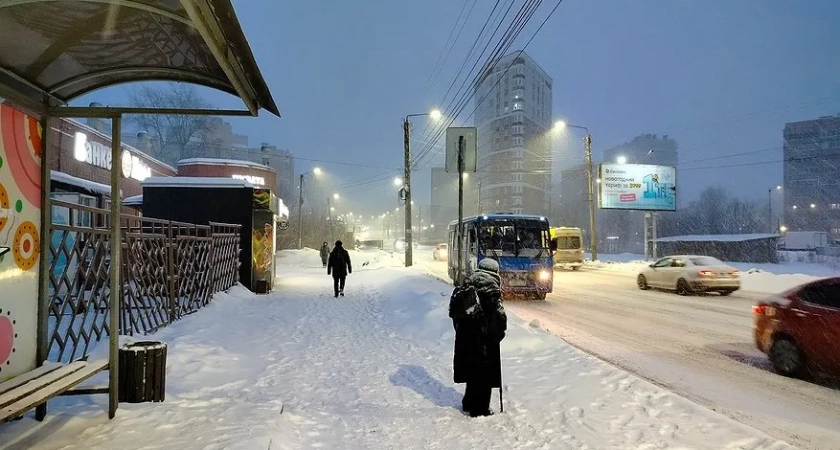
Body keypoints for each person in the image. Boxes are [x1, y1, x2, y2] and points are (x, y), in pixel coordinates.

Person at [449, 258, 507, 417]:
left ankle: (468, 403)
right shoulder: (492, 289)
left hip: (465, 338)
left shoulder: (466, 285)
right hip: (484, 339)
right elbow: (499, 318)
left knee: (472, 372)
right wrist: (497, 334)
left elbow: (456, 315)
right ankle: (480, 409)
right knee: (484, 375)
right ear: (495, 272)